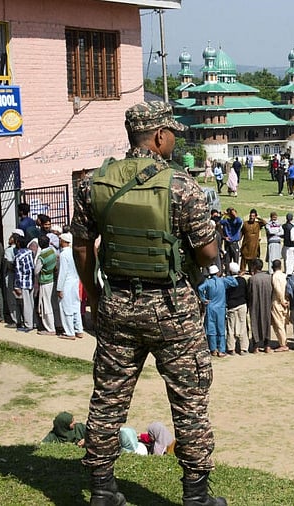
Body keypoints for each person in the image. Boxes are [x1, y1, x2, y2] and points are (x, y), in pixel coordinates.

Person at [71, 102, 225, 506]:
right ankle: (196, 496)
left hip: (117, 303)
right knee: (189, 400)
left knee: (108, 396)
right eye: (171, 133)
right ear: (158, 136)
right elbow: (208, 253)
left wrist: (96, 293)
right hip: (173, 307)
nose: (174, 139)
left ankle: (102, 490)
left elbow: (83, 247)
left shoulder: (93, 184)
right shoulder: (181, 185)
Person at [198, 265, 237, 356]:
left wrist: (203, 299)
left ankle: (213, 349)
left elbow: (200, 288)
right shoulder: (222, 281)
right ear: (218, 272)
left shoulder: (207, 282)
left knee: (211, 329)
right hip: (220, 308)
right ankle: (221, 350)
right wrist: (228, 276)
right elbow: (235, 283)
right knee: (221, 329)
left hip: (210, 307)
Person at [56, 232, 85, 339]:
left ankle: (69, 332)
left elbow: (63, 272)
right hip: (75, 282)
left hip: (66, 283)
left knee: (66, 308)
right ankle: (79, 329)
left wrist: (59, 288)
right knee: (75, 306)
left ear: (64, 241)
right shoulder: (74, 253)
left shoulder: (64, 254)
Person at [34, 235, 58, 335]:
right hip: (51, 279)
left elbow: (36, 271)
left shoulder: (42, 256)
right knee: (50, 303)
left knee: (45, 305)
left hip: (45, 280)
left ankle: (50, 328)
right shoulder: (52, 251)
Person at [248, 259, 273, 353]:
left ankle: (256, 347)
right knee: (267, 323)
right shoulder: (269, 277)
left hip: (255, 304)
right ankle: (267, 346)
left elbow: (249, 293)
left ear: (254, 267)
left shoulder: (252, 279)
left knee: (255, 323)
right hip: (267, 303)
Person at [225, 262, 249, 354]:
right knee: (243, 326)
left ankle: (232, 348)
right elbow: (246, 293)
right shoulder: (242, 280)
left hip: (231, 305)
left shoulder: (227, 281)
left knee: (231, 327)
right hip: (242, 304)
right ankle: (243, 348)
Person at [239, 209, 265, 274]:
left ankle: (252, 270)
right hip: (246, 243)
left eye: (253, 216)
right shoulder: (245, 224)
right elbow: (241, 233)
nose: (251, 217)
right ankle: (243, 270)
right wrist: (239, 240)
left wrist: (258, 218)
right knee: (244, 257)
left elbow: (264, 223)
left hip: (254, 244)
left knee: (253, 258)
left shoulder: (258, 224)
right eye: (250, 216)